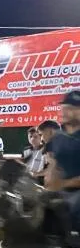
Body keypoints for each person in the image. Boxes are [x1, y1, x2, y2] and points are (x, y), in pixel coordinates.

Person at [44, 90, 80, 233]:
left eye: (70, 108)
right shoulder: (58, 137)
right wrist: (47, 185)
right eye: (63, 108)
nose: (64, 112)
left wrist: (63, 184)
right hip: (60, 192)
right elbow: (53, 164)